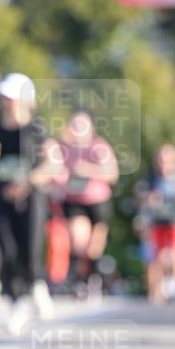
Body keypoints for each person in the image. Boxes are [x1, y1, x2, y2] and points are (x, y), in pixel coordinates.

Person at [0, 73, 65, 333]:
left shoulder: (37, 130)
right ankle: (17, 301)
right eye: (5, 97)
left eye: (13, 97)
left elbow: (54, 162)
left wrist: (28, 182)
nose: (8, 102)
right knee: (7, 250)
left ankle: (37, 286)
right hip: (2, 197)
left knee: (31, 248)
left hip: (32, 198)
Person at [58, 110, 119, 298]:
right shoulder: (64, 149)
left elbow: (112, 175)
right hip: (75, 201)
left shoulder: (99, 147)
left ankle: (92, 279)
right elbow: (56, 172)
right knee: (78, 239)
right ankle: (77, 281)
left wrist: (89, 170)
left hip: (98, 202)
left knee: (94, 248)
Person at [135, 143, 175, 303]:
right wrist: (149, 199)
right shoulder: (150, 178)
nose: (164, 164)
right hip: (156, 222)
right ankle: (157, 292)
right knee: (157, 257)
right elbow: (139, 197)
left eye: (168, 160)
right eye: (161, 160)